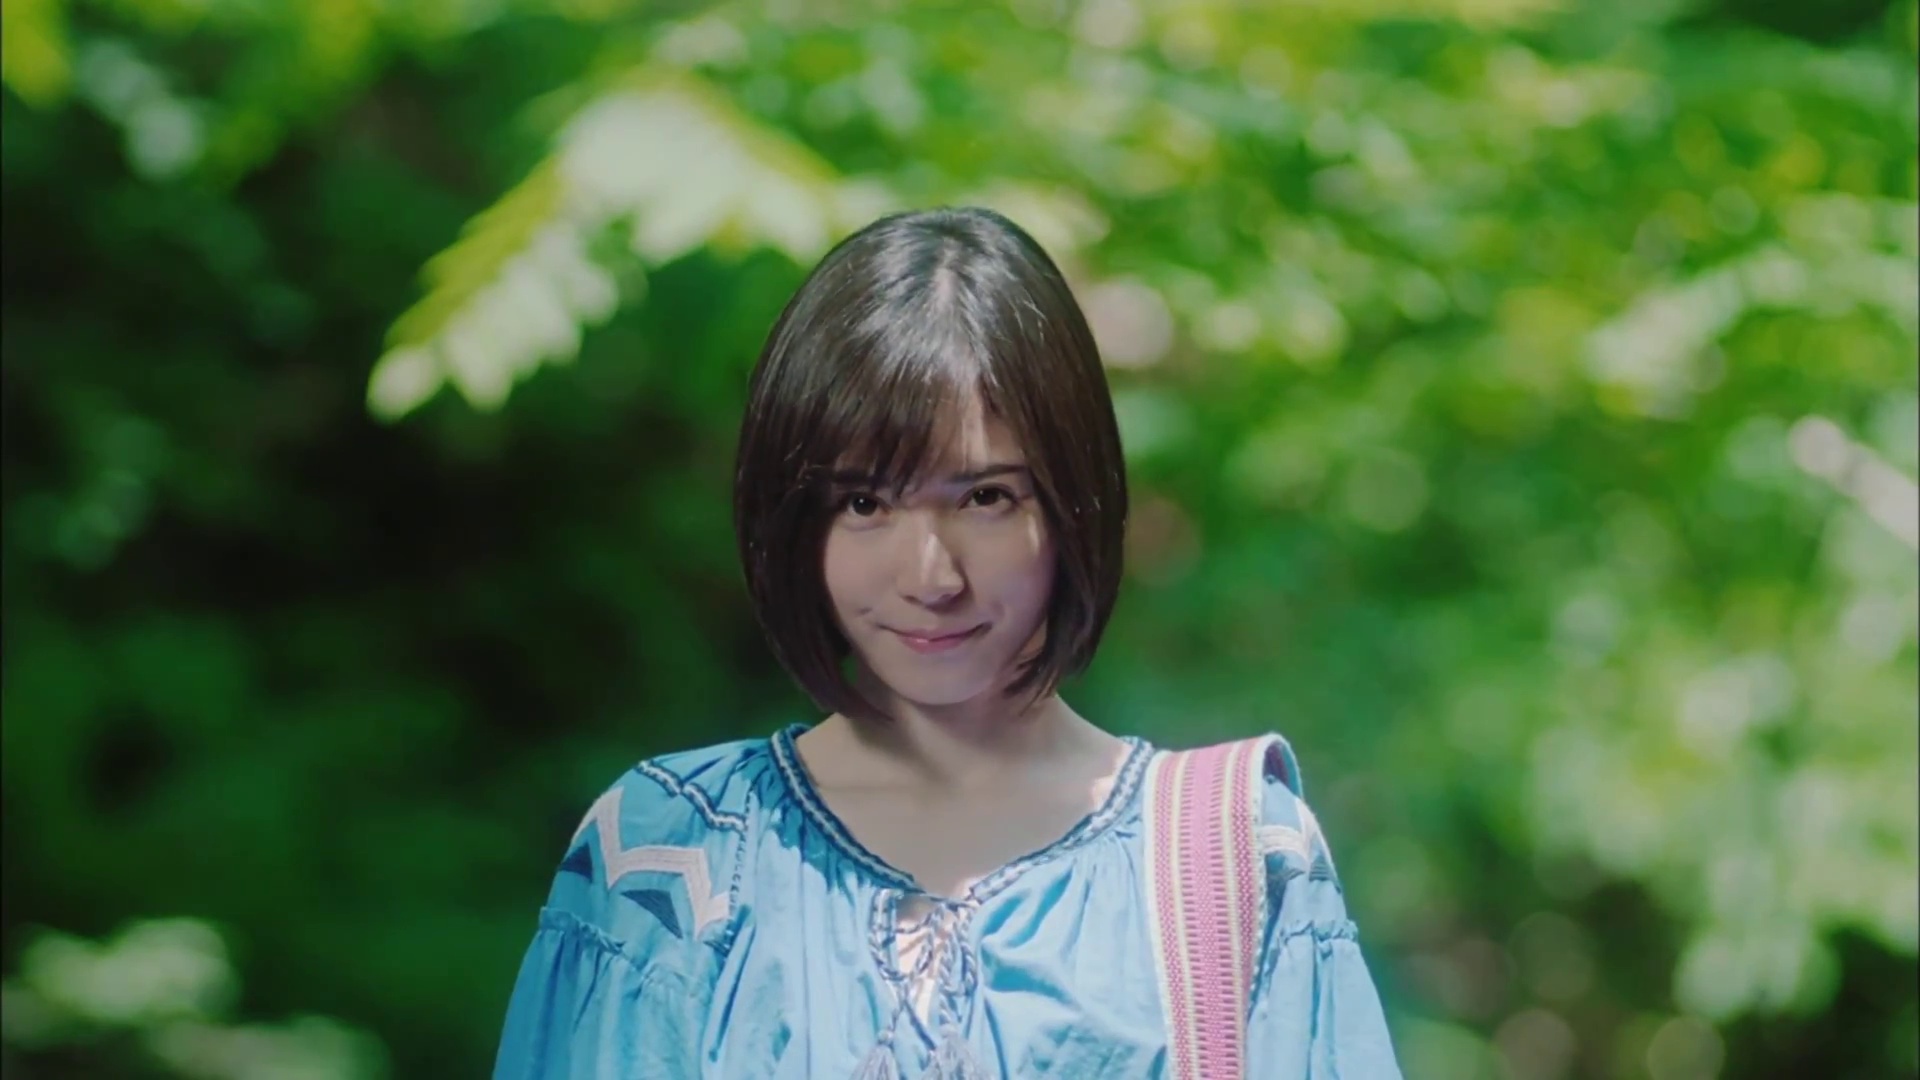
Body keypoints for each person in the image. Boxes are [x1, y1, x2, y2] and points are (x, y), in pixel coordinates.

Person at [492, 208, 1402, 1078]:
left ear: (1075, 500)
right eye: (864, 503)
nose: (932, 576)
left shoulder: (1236, 857)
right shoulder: (669, 860)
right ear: (793, 521)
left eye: (986, 498)